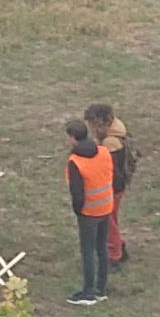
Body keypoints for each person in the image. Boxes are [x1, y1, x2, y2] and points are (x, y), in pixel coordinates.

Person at [64, 117, 114, 306]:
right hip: (106, 207)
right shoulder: (103, 151)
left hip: (89, 212)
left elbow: (77, 193)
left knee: (88, 252)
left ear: (72, 138)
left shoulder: (75, 161)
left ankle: (88, 292)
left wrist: (78, 211)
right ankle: (101, 289)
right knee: (102, 248)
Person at [84, 103, 131, 268]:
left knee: (107, 222)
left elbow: (106, 167)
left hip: (112, 188)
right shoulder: (117, 130)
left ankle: (114, 256)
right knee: (112, 220)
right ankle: (120, 247)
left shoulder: (111, 143)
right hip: (118, 186)